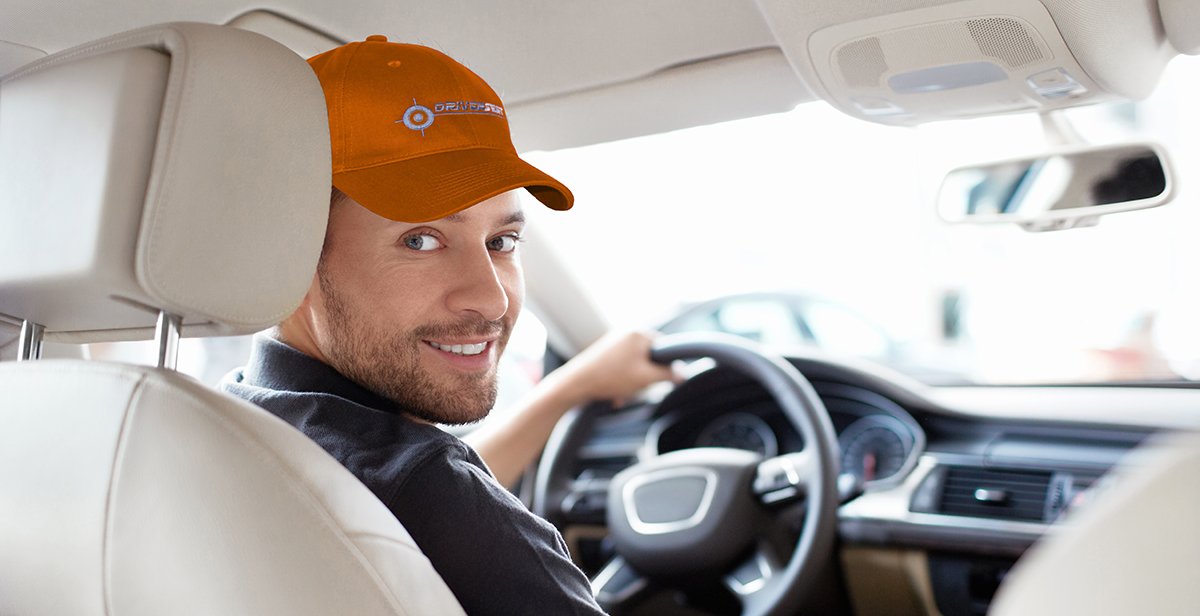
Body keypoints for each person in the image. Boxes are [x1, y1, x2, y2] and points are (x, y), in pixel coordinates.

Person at [219, 36, 673, 615]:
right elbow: (429, 490)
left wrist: (573, 387)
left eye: (502, 241)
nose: (491, 298)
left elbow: (417, 484)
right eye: (421, 239)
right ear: (289, 251)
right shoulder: (428, 493)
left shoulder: (240, 418)